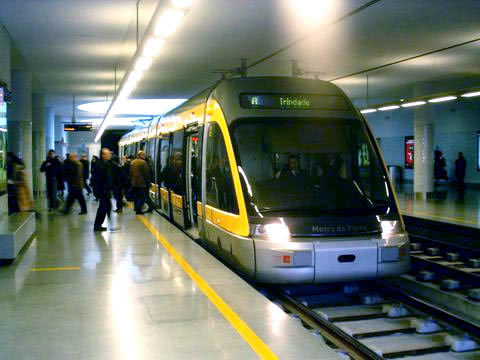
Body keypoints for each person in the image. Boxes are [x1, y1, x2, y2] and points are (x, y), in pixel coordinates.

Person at [92, 148, 115, 231]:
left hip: (106, 190)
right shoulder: (99, 165)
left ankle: (106, 224)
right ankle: (98, 225)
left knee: (106, 207)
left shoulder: (107, 164)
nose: (109, 155)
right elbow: (97, 180)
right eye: (107, 154)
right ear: (103, 155)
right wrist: (97, 192)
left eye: (109, 153)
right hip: (103, 191)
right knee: (103, 208)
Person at [130, 150, 154, 214]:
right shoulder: (143, 163)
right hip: (142, 184)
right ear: (141, 155)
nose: (145, 156)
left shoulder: (133, 162)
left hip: (134, 183)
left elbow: (130, 173)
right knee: (143, 197)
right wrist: (148, 183)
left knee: (137, 196)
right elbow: (146, 174)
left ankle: (138, 208)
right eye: (144, 155)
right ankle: (139, 209)